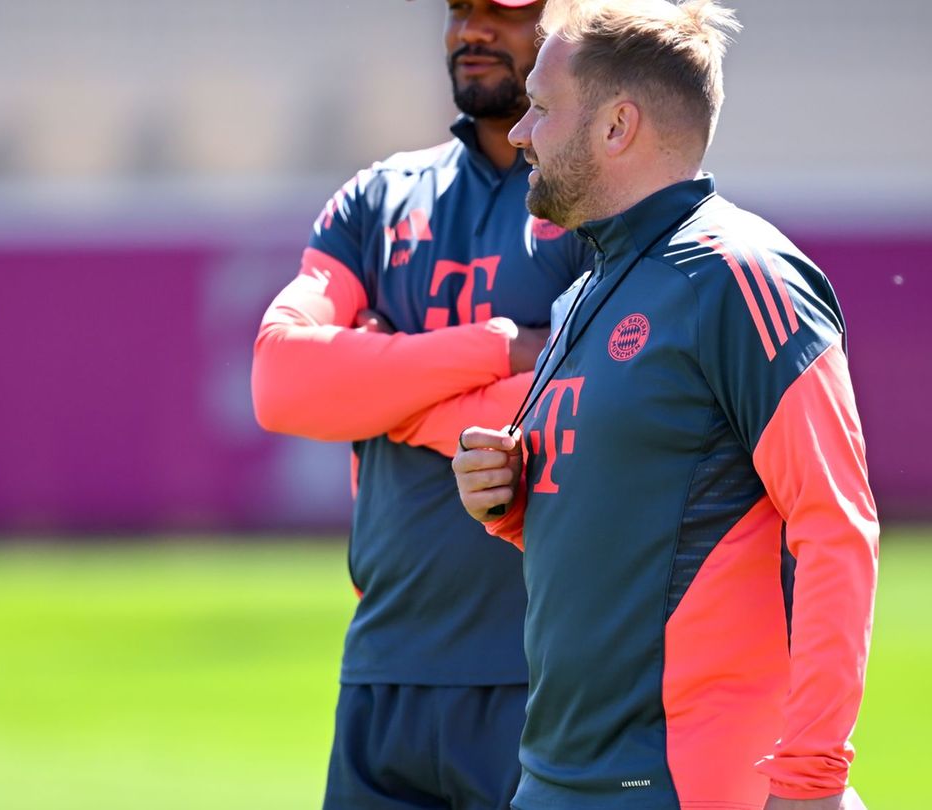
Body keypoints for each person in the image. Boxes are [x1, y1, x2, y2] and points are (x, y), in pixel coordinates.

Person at [451, 1, 877, 808]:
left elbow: (836, 527)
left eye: (542, 109)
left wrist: (813, 776)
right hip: (553, 779)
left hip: (691, 781)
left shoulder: (740, 276)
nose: (520, 134)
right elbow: (635, 514)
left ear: (617, 126)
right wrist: (505, 498)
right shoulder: (584, 292)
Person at [251, 1, 593, 807]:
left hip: (546, 677)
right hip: (385, 677)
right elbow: (280, 379)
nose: (472, 30)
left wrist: (382, 390)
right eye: (460, 11)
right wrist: (501, 346)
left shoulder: (594, 200)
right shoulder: (377, 199)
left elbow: (591, 405)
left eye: (502, 14)